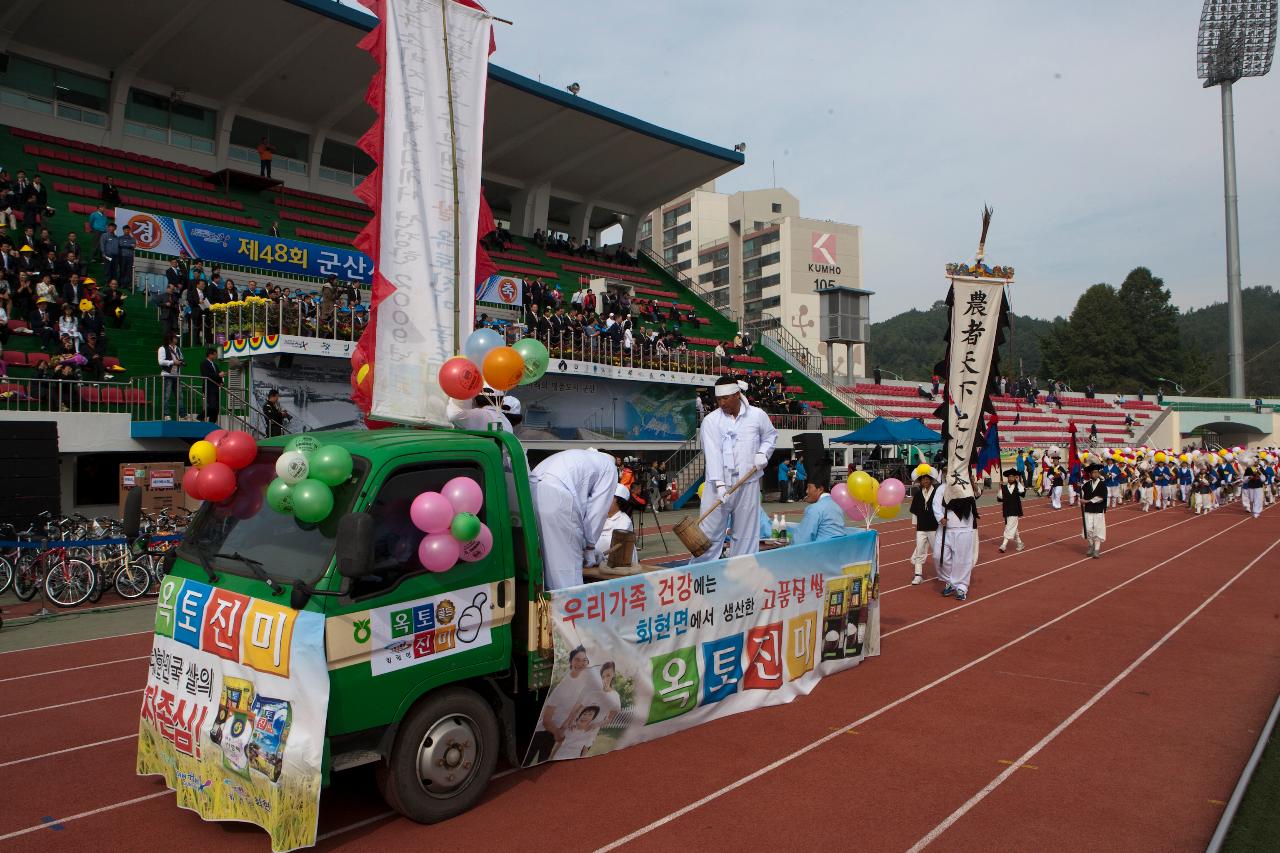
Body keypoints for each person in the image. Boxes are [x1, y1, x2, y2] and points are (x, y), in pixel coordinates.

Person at [689, 376, 777, 564]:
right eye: (718, 399)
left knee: (746, 534)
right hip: (717, 486)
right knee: (709, 533)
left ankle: (741, 573)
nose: (721, 403)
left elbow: (770, 436)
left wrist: (763, 453)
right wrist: (720, 485)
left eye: (726, 398)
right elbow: (712, 454)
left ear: (737, 394)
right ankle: (701, 573)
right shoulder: (711, 421)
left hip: (748, 483)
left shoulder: (757, 415)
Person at [530, 449, 618, 589]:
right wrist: (589, 547)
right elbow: (597, 511)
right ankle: (566, 608)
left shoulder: (579, 456)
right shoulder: (609, 467)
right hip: (556, 498)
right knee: (566, 573)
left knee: (542, 561)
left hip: (530, 492)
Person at [935, 476, 978, 602]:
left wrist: (973, 483)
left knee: (962, 559)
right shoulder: (942, 488)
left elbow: (976, 494)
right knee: (939, 557)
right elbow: (936, 504)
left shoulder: (967, 486)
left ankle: (961, 587)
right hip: (945, 528)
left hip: (964, 528)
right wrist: (939, 518)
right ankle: (951, 581)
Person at [791, 473, 847, 545]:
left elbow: (801, 540)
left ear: (820, 489)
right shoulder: (836, 505)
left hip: (821, 552)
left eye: (809, 487)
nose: (807, 491)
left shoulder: (814, 509)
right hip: (840, 550)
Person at [908, 466, 940, 586]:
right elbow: (915, 511)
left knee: (937, 552)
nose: (925, 481)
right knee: (919, 550)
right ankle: (918, 575)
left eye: (927, 479)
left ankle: (942, 572)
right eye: (923, 479)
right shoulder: (917, 495)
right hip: (921, 528)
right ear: (920, 481)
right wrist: (916, 525)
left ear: (931, 480)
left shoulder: (937, 493)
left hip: (934, 527)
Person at [591, 484, 637, 565]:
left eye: (609, 497)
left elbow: (617, 548)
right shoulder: (597, 517)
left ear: (619, 501)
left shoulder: (624, 521)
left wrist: (598, 556)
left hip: (614, 567)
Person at [157, 333, 186, 421]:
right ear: (170, 338)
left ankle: (182, 415)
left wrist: (181, 362)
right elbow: (161, 362)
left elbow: (181, 358)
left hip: (176, 375)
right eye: (175, 337)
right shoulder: (162, 348)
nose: (177, 339)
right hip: (167, 375)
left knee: (180, 396)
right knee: (167, 396)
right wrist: (173, 362)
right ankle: (166, 414)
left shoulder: (177, 349)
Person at [996, 468, 1025, 553]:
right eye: (1009, 477)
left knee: (1009, 527)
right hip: (1007, 510)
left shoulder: (1018, 487)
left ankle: (1003, 545)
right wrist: (999, 487)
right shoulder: (1004, 487)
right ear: (1007, 478)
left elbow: (1023, 492)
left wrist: (1018, 481)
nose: (1011, 478)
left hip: (1015, 510)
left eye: (1013, 477)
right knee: (1013, 528)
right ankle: (1020, 543)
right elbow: (1000, 498)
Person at [1082, 463, 1107, 558]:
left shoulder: (1102, 485)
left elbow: (1101, 498)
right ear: (1090, 474)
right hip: (1088, 510)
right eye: (1093, 473)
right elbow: (1082, 494)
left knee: (1098, 530)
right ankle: (1091, 545)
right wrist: (1080, 497)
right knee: (1088, 529)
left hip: (1098, 510)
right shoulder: (1086, 485)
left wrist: (1087, 501)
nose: (1095, 474)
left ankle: (1096, 549)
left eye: (1097, 472)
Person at [200, 347, 224, 423]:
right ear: (210, 355)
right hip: (209, 388)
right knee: (212, 406)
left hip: (216, 388)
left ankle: (212, 423)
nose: (216, 356)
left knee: (216, 408)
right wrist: (219, 375)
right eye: (215, 354)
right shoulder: (204, 363)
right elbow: (206, 375)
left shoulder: (215, 365)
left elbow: (218, 375)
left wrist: (221, 381)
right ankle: (201, 416)